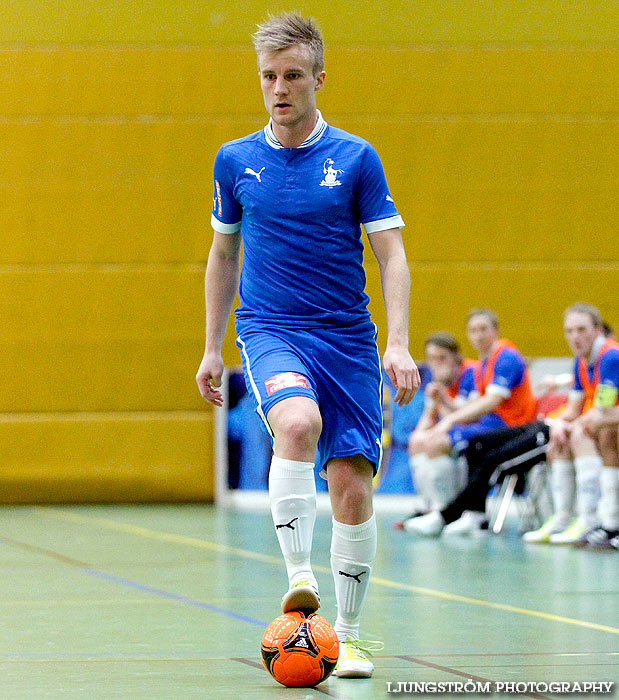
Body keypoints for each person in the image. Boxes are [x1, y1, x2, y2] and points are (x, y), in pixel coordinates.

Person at [195, 12, 420, 678]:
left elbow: (392, 253)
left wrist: (399, 342)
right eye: (268, 76)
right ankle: (301, 584)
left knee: (351, 486)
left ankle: (346, 636)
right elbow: (222, 254)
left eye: (293, 75)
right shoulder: (235, 161)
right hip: (270, 329)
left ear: (319, 78)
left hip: (346, 337)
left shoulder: (354, 157)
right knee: (296, 421)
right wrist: (213, 348)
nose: (279, 88)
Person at [403, 308, 537, 536]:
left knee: (439, 442)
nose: (479, 335)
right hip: (490, 424)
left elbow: (490, 402)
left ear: (495, 330)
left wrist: (449, 420)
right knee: (423, 440)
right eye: (473, 330)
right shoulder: (485, 364)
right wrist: (443, 401)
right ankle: (441, 508)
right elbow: (473, 408)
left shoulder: (505, 356)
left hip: (512, 427)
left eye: (484, 329)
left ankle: (448, 512)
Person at [523, 303, 619, 547]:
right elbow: (574, 409)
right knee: (560, 439)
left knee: (586, 433)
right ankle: (563, 518)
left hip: (611, 424)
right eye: (570, 331)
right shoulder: (580, 361)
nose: (575, 337)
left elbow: (604, 408)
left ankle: (599, 519)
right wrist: (557, 424)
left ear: (597, 330)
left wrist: (573, 425)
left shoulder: (610, 355)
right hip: (608, 422)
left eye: (581, 330)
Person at [393, 332, 474, 525]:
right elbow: (427, 420)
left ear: (455, 357)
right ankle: (428, 505)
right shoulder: (437, 380)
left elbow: (464, 418)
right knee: (417, 441)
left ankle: (446, 509)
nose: (437, 363)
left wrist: (442, 400)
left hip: (476, 427)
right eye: (432, 359)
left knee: (434, 443)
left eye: (442, 358)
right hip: (454, 429)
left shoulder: (470, 373)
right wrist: (420, 433)